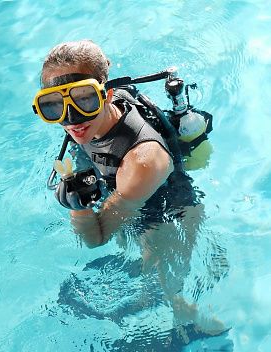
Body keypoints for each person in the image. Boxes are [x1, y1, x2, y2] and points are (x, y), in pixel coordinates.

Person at [33, 40, 225, 333]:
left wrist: (78, 208)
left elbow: (96, 238)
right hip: (129, 195)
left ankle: (197, 325)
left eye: (84, 100)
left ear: (107, 94)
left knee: (165, 289)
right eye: (54, 106)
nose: (71, 119)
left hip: (166, 219)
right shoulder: (100, 112)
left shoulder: (142, 161)